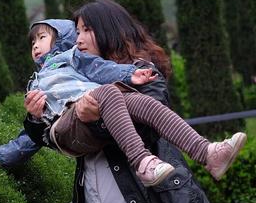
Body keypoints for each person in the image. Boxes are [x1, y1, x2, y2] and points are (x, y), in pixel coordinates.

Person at [14, 0, 227, 203]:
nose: (78, 39)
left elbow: (147, 125)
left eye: (86, 30)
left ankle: (207, 152)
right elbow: (61, 141)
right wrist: (37, 118)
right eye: (76, 31)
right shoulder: (77, 78)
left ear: (108, 30)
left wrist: (95, 117)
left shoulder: (141, 72)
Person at [26, 18, 246, 186]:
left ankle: (207, 153)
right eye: (33, 41)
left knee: (141, 102)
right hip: (66, 124)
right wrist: (25, 129)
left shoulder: (72, 57)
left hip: (97, 105)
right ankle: (143, 162)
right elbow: (31, 134)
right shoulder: (35, 81)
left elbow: (101, 68)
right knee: (111, 92)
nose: (35, 45)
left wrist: (130, 74)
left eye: (41, 38)